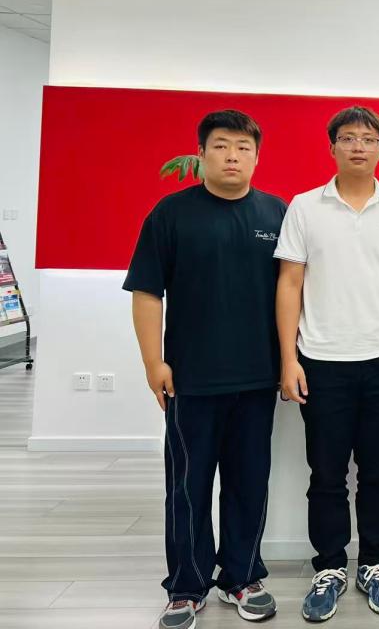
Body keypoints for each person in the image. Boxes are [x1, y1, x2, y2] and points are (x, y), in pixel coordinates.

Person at [125, 110, 285, 629]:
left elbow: (294, 292)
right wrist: (153, 362)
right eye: (220, 145)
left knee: (249, 482)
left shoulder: (277, 214)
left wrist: (289, 361)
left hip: (258, 376)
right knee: (188, 487)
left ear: (256, 156)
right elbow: (147, 291)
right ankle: (186, 586)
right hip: (190, 378)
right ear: (201, 154)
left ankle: (242, 576)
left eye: (243, 147)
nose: (232, 155)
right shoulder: (171, 214)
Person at [274, 105, 379, 621]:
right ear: (332, 147)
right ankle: (329, 568)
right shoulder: (304, 207)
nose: (358, 145)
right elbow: (290, 282)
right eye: (347, 138)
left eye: (367, 138)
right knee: (326, 473)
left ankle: (375, 564)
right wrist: (288, 358)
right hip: (321, 361)